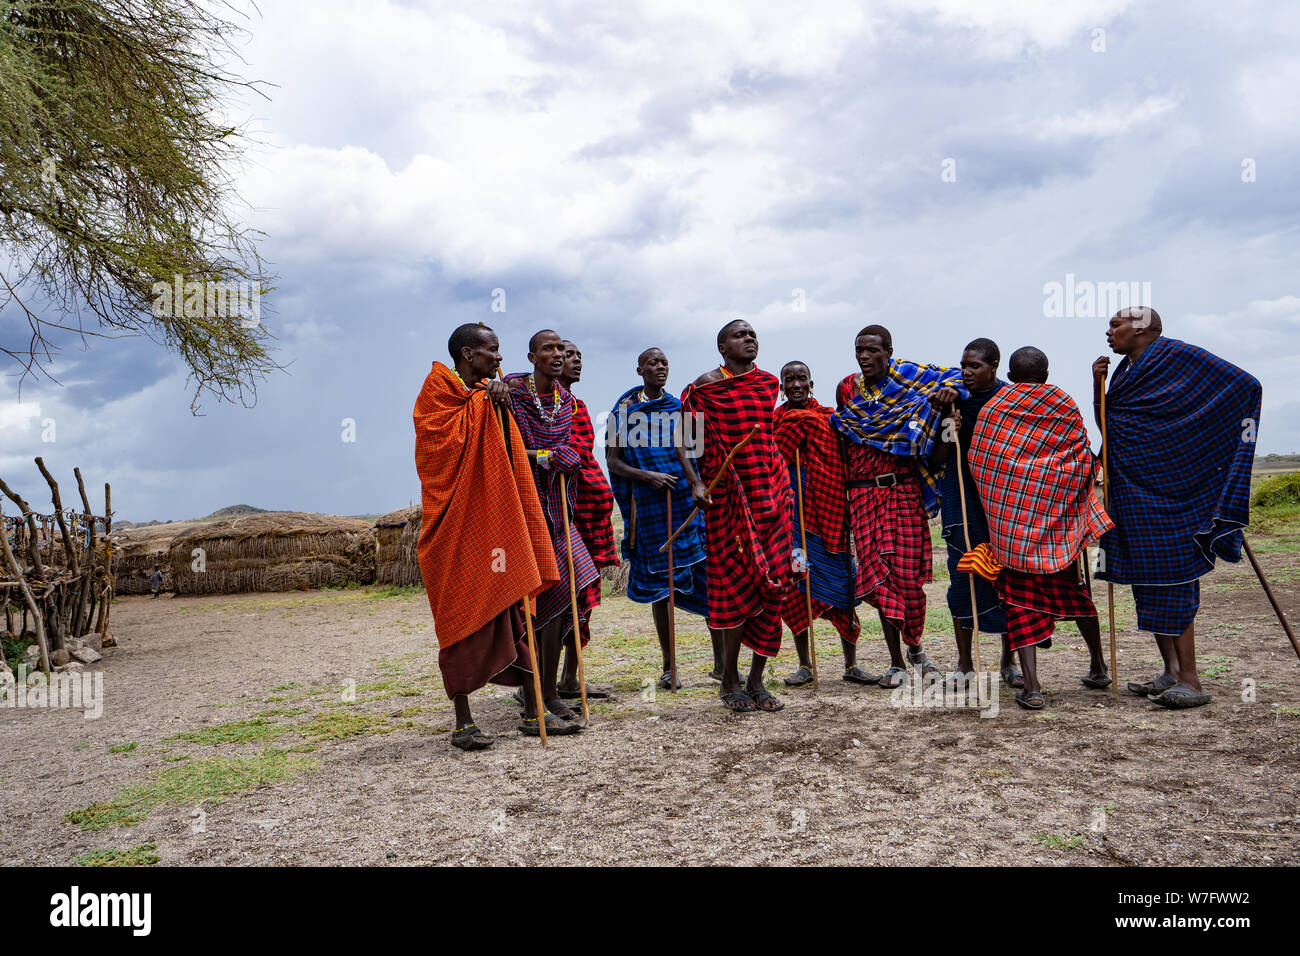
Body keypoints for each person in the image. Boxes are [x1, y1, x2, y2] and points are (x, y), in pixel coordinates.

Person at [413, 322, 572, 749]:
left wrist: (495, 405)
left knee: (514, 611)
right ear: (468, 354)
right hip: (454, 528)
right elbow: (435, 455)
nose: (499, 359)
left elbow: (507, 449)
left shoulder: (489, 396)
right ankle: (463, 721)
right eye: (492, 351)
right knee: (460, 619)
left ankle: (533, 708)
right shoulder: (436, 395)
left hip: (494, 526)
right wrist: (485, 400)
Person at [1093, 307, 1261, 709]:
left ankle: (1192, 680)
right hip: (1134, 493)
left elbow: (1246, 386)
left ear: (1141, 328)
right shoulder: (1125, 371)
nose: (1108, 331)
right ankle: (1169, 671)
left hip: (1176, 494)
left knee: (1174, 580)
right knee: (1148, 580)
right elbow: (1109, 423)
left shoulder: (1181, 357)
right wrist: (1095, 383)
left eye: (1115, 324)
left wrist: (1207, 456)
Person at [967, 346, 1113, 709]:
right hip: (1058, 531)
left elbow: (980, 461)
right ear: (1045, 375)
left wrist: (1015, 498)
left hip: (1014, 531)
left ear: (1010, 376)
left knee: (1018, 602)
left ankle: (1032, 687)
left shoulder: (996, 408)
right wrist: (1058, 498)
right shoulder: (1062, 402)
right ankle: (1098, 665)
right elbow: (1083, 457)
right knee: (1076, 595)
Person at [831, 325, 965, 688]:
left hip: (903, 493)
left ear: (889, 351)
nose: (864, 356)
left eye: (872, 350)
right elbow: (842, 450)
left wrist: (950, 425)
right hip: (861, 497)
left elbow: (938, 455)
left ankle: (917, 648)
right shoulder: (848, 392)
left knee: (907, 579)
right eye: (858, 349)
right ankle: (895, 663)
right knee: (879, 579)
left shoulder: (912, 383)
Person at [679, 318, 793, 713]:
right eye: (739, 335)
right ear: (722, 347)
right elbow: (686, 442)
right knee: (735, 591)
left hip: (773, 496)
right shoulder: (704, 387)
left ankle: (758, 680)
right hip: (727, 499)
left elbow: (767, 437)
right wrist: (695, 483)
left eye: (753, 334)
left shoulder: (766, 384)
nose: (749, 339)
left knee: (774, 586)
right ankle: (729, 679)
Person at [607, 347, 721, 688]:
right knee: (661, 588)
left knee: (709, 580)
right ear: (639, 369)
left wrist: (696, 487)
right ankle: (669, 667)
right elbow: (613, 462)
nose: (660, 367)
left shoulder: (680, 408)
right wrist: (648, 476)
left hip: (687, 508)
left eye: (664, 363)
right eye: (653, 363)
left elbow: (697, 456)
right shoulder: (622, 412)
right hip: (650, 508)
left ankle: (721, 664)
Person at [504, 329, 600, 730]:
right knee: (538, 603)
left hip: (561, 509)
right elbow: (503, 447)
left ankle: (552, 692)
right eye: (549, 349)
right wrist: (545, 456)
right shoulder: (512, 394)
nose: (558, 354)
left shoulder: (567, 403)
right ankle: (535, 697)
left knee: (569, 594)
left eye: (561, 348)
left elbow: (577, 449)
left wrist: (567, 458)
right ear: (532, 357)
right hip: (525, 507)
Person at [772, 361, 869, 686]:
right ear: (783, 387)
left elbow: (844, 461)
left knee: (843, 589)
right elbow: (770, 466)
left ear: (811, 383)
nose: (796, 384)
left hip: (831, 524)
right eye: (790, 380)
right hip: (794, 527)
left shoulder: (829, 419)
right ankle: (805, 665)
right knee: (797, 591)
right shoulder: (776, 423)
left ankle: (851, 664)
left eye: (801, 378)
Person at [930, 338, 1020, 688]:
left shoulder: (1010, 401)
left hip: (1003, 503)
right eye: (963, 365)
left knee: (1007, 581)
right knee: (962, 580)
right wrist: (949, 425)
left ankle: (1009, 661)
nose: (966, 372)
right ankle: (965, 662)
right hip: (963, 501)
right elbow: (937, 458)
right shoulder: (955, 401)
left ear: (994, 367)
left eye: (975, 366)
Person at [556, 339, 618, 701]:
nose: (575, 360)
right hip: (562, 514)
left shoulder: (576, 405)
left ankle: (568, 679)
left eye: (579, 355)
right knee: (556, 602)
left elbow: (583, 457)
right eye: (567, 354)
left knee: (581, 602)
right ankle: (540, 682)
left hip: (587, 517)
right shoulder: (540, 406)